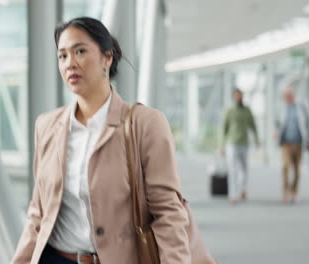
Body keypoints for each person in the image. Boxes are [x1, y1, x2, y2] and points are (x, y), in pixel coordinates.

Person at [11, 17, 191, 264]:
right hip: (54, 258)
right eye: (62, 56)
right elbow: (38, 213)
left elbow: (168, 212)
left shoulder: (145, 124)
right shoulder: (47, 126)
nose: (70, 63)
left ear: (107, 57)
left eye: (80, 51)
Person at [220, 88, 259, 204]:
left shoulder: (247, 110)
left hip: (244, 143)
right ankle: (233, 195)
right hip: (231, 143)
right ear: (234, 97)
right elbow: (223, 128)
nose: (238, 98)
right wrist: (221, 145)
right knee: (232, 169)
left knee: (244, 168)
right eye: (236, 96)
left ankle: (242, 189)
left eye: (240, 96)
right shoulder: (229, 110)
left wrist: (256, 139)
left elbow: (253, 125)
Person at [275, 86, 309, 204]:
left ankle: (294, 192)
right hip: (285, 142)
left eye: (288, 95)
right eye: (285, 96)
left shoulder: (301, 106)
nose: (286, 97)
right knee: (285, 166)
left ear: (293, 95)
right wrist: (276, 130)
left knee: (297, 169)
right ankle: (285, 192)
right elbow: (276, 122)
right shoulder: (281, 107)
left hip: (299, 142)